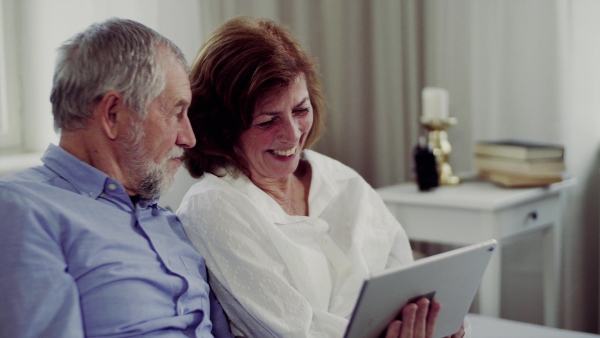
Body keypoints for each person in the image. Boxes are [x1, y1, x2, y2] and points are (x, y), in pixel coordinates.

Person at [177, 16, 467, 338]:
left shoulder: (338, 178)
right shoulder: (213, 208)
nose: (292, 134)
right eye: (267, 121)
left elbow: (404, 274)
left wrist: (435, 319)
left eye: (300, 110)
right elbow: (295, 331)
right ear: (223, 127)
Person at [0, 18, 233, 338]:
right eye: (177, 113)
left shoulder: (169, 222)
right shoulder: (21, 210)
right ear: (113, 114)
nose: (189, 138)